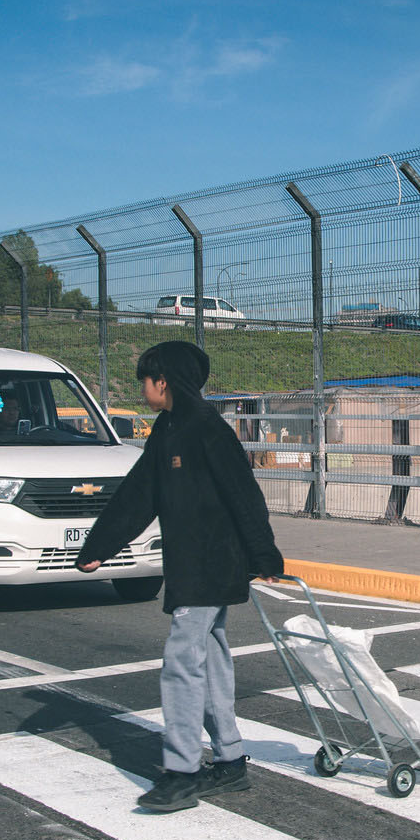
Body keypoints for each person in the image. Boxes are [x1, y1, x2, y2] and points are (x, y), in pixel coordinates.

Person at [76, 340, 285, 813]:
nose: (142, 388)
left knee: (181, 661)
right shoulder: (167, 429)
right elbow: (138, 494)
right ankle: (230, 761)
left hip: (213, 563)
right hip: (191, 564)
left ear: (163, 382)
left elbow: (243, 494)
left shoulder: (207, 429)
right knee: (207, 658)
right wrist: (99, 549)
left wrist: (265, 555)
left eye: (145, 381)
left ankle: (183, 771)